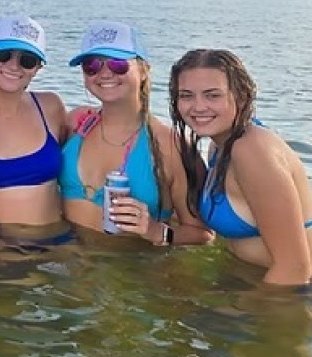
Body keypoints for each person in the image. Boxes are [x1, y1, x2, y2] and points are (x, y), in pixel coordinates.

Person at [170, 49, 312, 285]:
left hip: (288, 296)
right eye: (186, 95)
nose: (198, 107)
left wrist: (248, 313)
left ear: (241, 97)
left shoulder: (252, 152)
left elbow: (295, 269)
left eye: (212, 95)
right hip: (247, 281)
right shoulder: (220, 146)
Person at [58, 22, 211, 247]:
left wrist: (156, 231)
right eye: (91, 65)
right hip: (70, 267)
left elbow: (203, 234)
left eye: (118, 64)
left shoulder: (171, 147)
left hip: (131, 271)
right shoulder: (77, 124)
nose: (105, 73)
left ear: (143, 70)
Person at [0, 14, 67, 231]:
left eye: (27, 60)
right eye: (3, 55)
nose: (14, 66)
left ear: (38, 68)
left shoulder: (50, 107)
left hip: (56, 246)